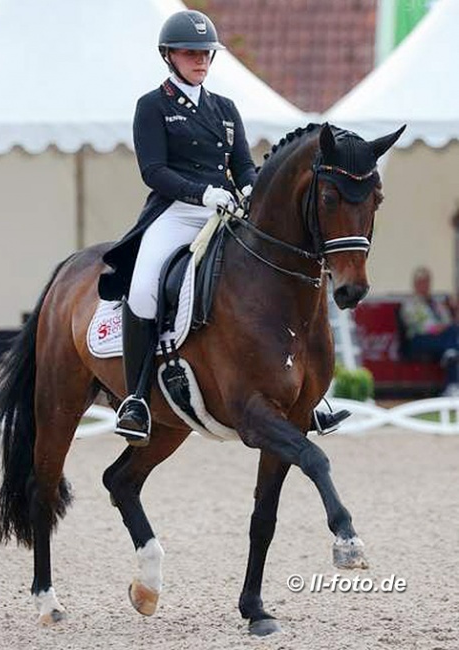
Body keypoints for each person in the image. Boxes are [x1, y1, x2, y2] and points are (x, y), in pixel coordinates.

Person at [99, 10, 349, 445]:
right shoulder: (152, 106)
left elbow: (244, 167)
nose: (200, 61)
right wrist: (202, 193)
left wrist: (251, 190)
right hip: (175, 212)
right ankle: (136, 399)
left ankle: (309, 395)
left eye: (205, 54)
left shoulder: (224, 108)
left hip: (228, 209)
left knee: (278, 274)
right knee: (141, 290)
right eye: (191, 53)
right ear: (169, 56)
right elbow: (154, 170)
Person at [400, 266, 459, 395]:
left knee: (452, 348)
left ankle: (453, 384)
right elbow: (416, 325)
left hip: (442, 339)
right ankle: (453, 383)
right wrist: (438, 328)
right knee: (453, 344)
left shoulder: (436, 302)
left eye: (426, 282)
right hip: (420, 339)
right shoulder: (409, 303)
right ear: (415, 284)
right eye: (421, 282)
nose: (424, 285)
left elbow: (448, 321)